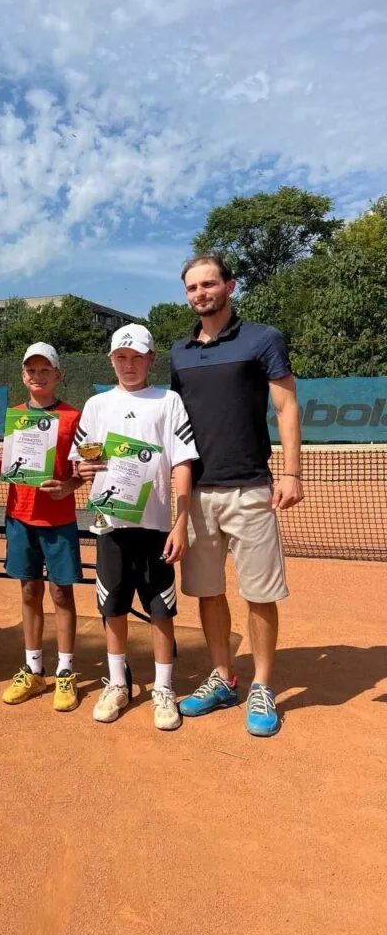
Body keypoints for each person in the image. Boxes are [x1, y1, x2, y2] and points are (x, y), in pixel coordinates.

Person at [170, 254, 303, 737]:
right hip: (197, 495)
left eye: (208, 284)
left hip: (250, 488)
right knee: (208, 591)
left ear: (229, 286)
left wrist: (291, 472)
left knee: (260, 594)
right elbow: (175, 423)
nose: (200, 293)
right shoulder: (179, 352)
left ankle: (262, 684)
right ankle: (223, 677)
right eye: (192, 287)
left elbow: (286, 406)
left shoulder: (263, 339)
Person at [72, 324, 198, 729]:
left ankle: (163, 687)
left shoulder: (169, 401)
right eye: (121, 357)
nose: (129, 365)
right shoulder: (96, 405)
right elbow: (81, 463)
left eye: (137, 357)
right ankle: (117, 683)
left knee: (160, 608)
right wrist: (84, 469)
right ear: (112, 360)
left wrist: (180, 521)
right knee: (113, 606)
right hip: (109, 524)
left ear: (151, 359)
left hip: (157, 526)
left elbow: (182, 463)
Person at [0, 343, 83, 713]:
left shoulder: (73, 417)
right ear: (23, 376)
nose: (38, 376)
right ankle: (33, 669)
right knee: (29, 590)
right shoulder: (14, 416)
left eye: (44, 370)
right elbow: (6, 466)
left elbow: (83, 470)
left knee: (61, 594)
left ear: (57, 375)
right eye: (31, 370)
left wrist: (68, 486)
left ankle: (65, 670)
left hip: (59, 520)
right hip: (19, 516)